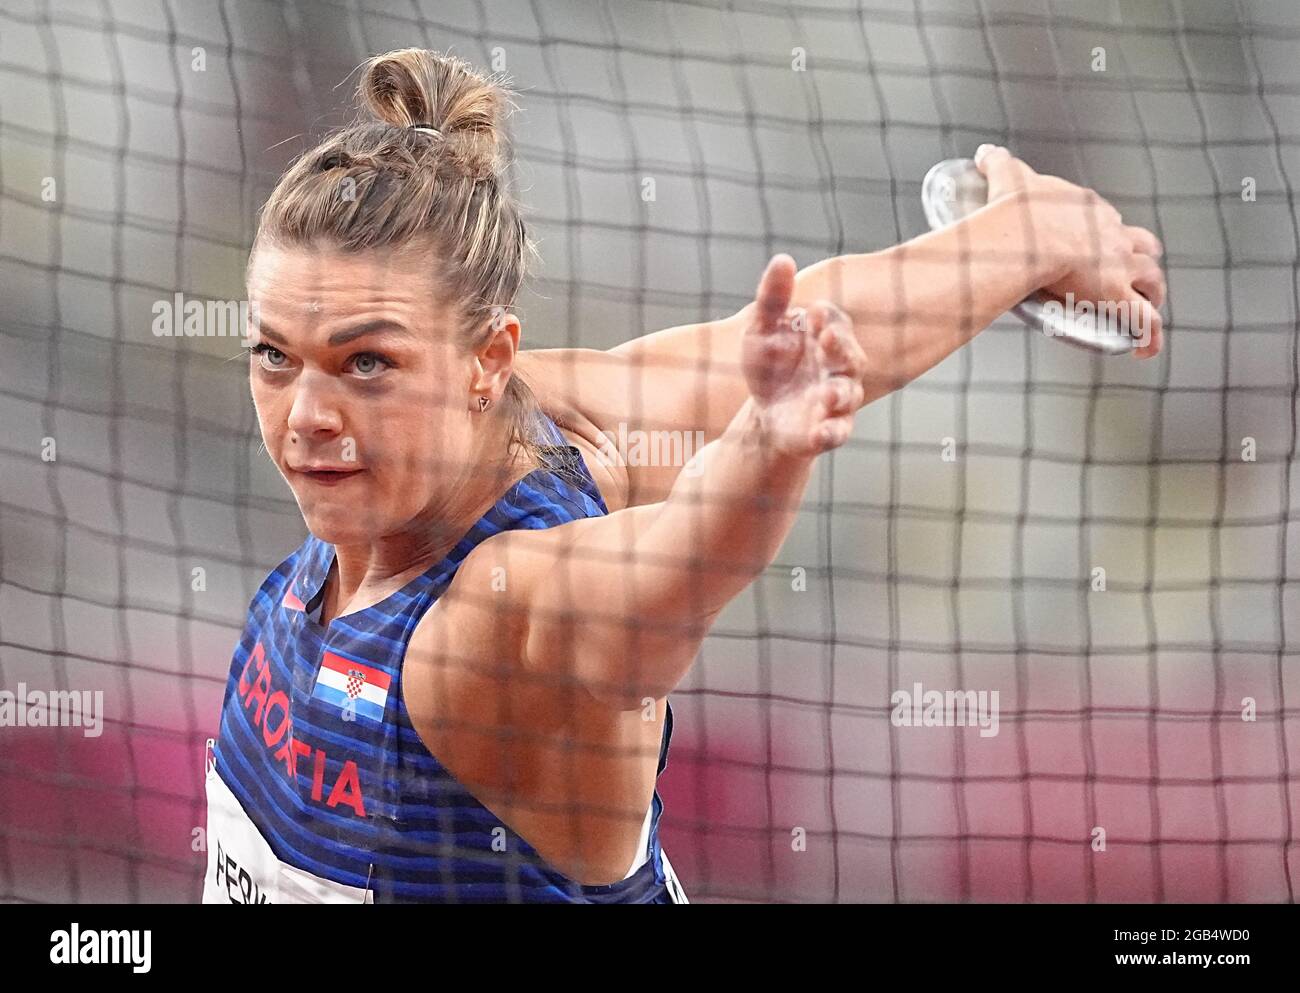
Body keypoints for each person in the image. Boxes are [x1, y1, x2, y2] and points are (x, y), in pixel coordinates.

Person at [203, 48, 1165, 904]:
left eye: (367, 362)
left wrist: (767, 446)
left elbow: (666, 573)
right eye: (274, 356)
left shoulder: (491, 625)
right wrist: (1021, 240)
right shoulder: (530, 419)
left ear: (485, 361)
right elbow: (803, 327)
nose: (307, 416)